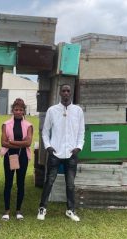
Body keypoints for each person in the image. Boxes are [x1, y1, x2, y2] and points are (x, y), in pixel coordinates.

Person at [37, 84, 85, 222]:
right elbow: (45, 131)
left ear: (71, 93)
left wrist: (79, 147)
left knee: (70, 184)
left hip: (71, 153)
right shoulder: (52, 110)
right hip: (55, 153)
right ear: (59, 93)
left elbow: (81, 132)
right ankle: (42, 208)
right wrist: (48, 147)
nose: (65, 93)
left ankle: (70, 210)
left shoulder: (78, 111)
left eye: (68, 91)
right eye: (63, 91)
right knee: (49, 181)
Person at [0, 98, 33, 221]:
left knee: (20, 183)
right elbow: (3, 143)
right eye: (16, 109)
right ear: (12, 110)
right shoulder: (6, 124)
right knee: (8, 183)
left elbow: (28, 143)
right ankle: (7, 210)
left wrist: (11, 142)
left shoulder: (28, 125)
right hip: (10, 156)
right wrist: (20, 143)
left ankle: (18, 210)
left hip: (22, 156)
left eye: (21, 110)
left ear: (24, 111)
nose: (18, 112)